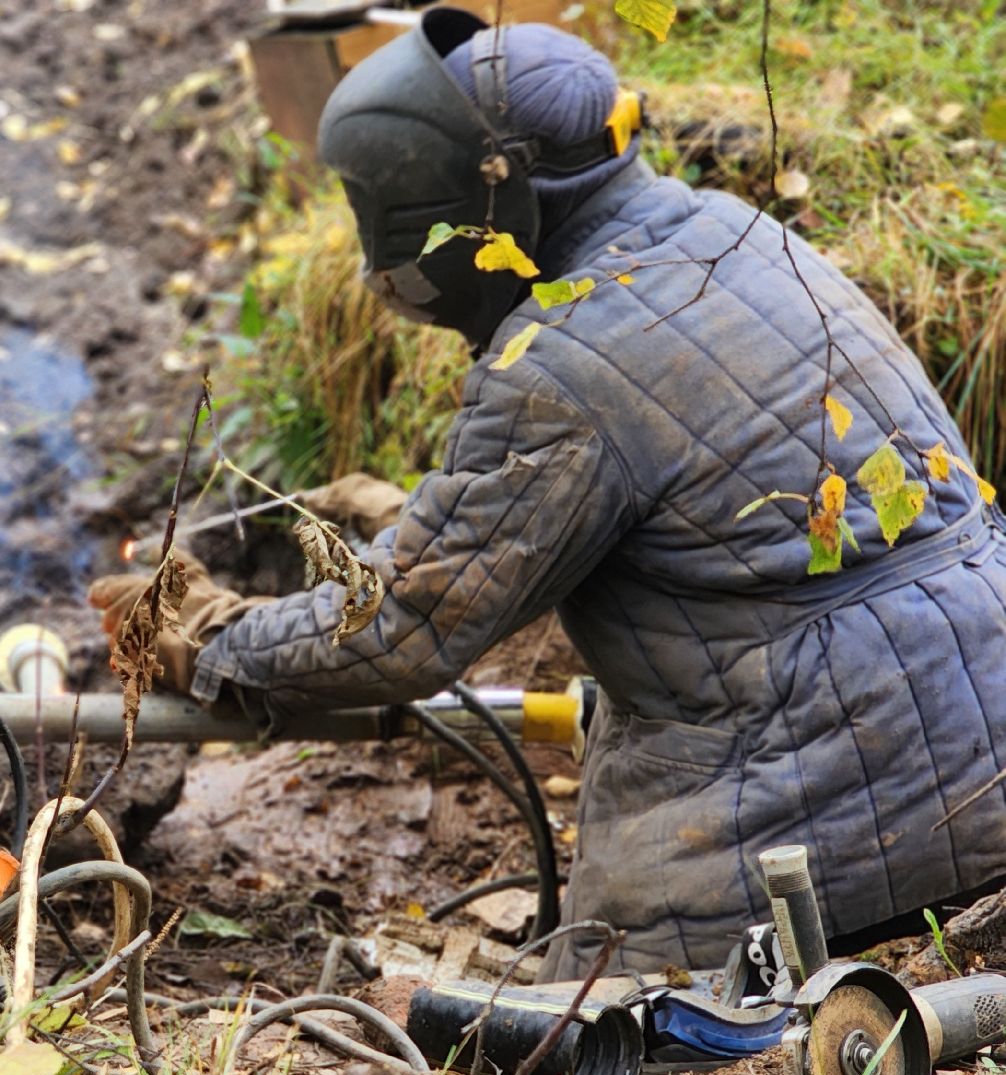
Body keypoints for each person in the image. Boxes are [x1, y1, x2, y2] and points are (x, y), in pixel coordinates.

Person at [91, 8, 1006, 980]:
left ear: (474, 203)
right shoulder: (733, 232)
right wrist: (421, 521)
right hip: (983, 721)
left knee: (581, 1025)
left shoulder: (559, 366)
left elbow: (398, 632)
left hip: (821, 789)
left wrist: (212, 637)